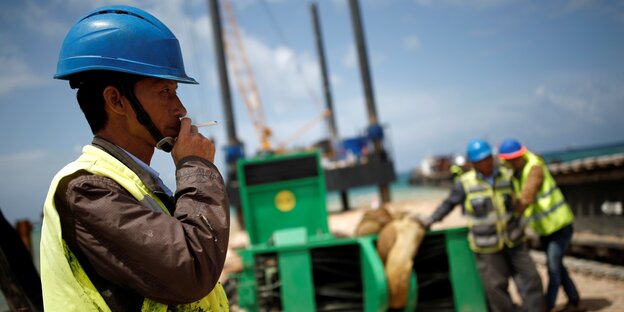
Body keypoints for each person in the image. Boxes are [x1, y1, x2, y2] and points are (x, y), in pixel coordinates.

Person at [39, 5, 230, 311]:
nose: (180, 108)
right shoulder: (85, 190)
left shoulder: (133, 185)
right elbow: (192, 271)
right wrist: (197, 169)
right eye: (165, 91)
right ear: (116, 100)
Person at [418, 139, 545, 312]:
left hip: (514, 239)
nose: (485, 163)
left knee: (531, 279)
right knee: (495, 287)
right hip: (487, 247)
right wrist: (431, 219)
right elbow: (448, 204)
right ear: (473, 163)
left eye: (487, 158)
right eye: (480, 160)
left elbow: (525, 163)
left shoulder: (506, 175)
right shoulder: (465, 183)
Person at [499, 139, 582, 312]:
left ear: (521, 154)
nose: (512, 162)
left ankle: (547, 305)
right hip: (545, 228)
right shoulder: (514, 172)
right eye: (508, 160)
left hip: (559, 225)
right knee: (558, 266)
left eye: (514, 159)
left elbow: (528, 196)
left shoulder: (534, 166)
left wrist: (514, 214)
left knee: (553, 267)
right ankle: (574, 301)